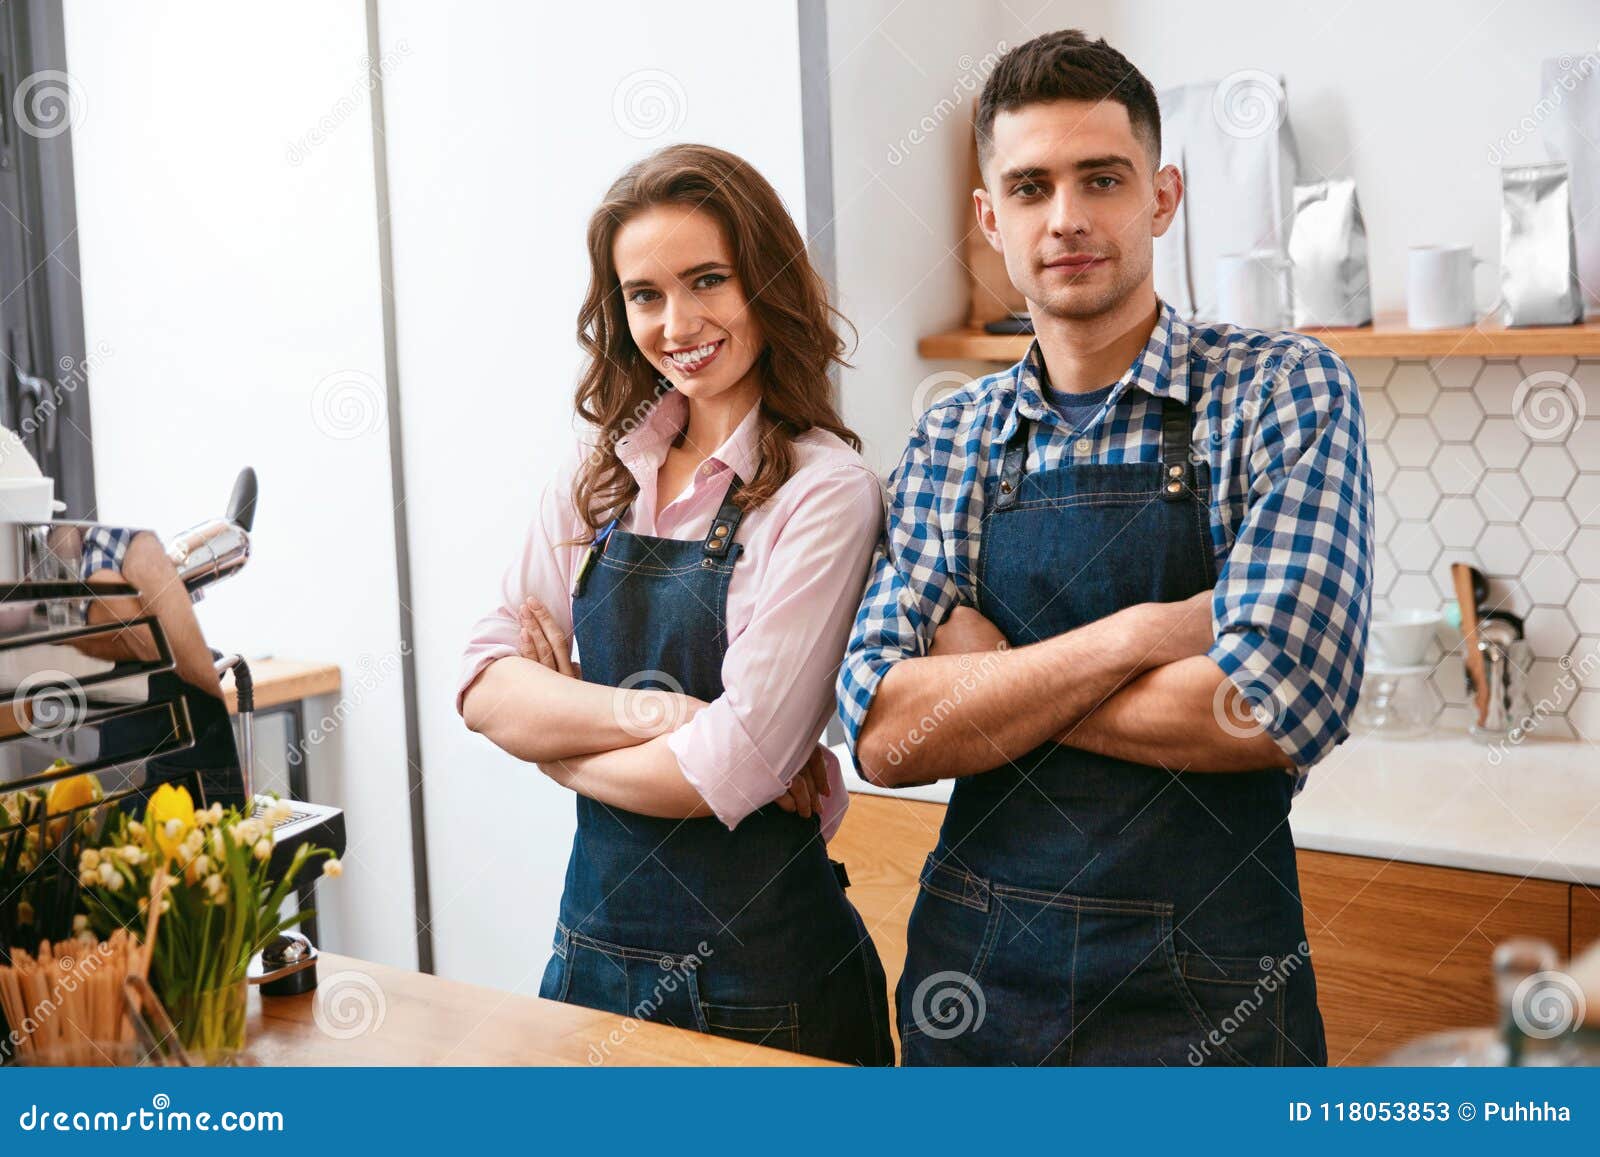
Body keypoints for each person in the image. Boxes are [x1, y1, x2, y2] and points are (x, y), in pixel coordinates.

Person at [838, 30, 1373, 1066]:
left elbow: (1267, 698)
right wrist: (1143, 632)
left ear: (1161, 196)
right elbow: (885, 733)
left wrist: (988, 680)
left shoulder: (1279, 390)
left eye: (1102, 178)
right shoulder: (953, 434)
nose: (1068, 216)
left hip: (1216, 990)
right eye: (1031, 187)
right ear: (992, 219)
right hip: (977, 984)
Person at [459, 143, 892, 1065]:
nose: (677, 321)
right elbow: (484, 687)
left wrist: (560, 750)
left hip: (766, 988)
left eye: (708, 280)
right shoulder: (601, 478)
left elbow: (727, 770)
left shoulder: (824, 492)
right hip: (588, 964)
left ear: (764, 284)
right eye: (645, 294)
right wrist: (666, 715)